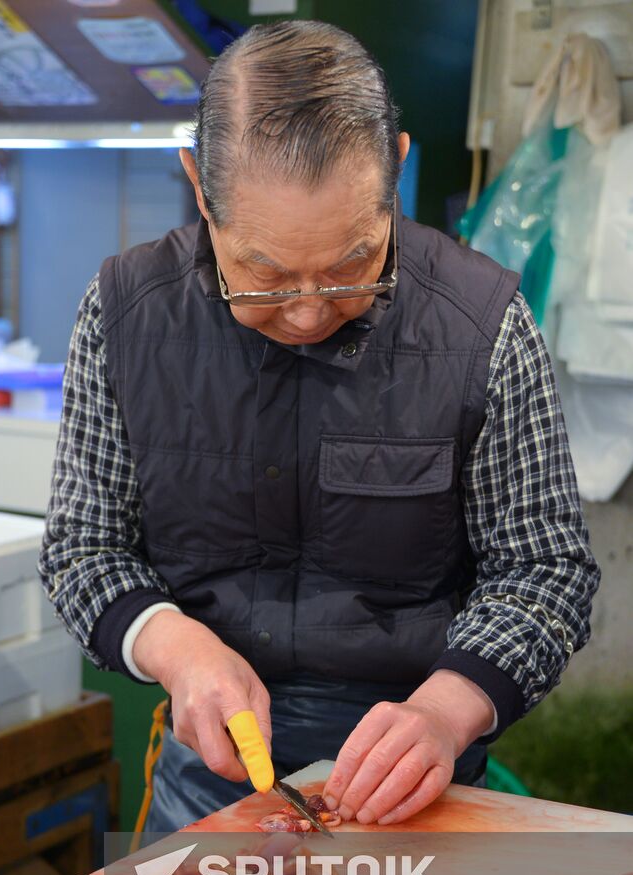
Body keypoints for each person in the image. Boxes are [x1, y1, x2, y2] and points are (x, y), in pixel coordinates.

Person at [39, 20, 600, 833]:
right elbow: (84, 547)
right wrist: (177, 649)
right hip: (211, 777)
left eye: (350, 268)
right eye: (262, 277)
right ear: (199, 188)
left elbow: (546, 570)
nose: (306, 312)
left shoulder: (484, 326)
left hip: (417, 776)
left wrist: (447, 711)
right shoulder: (124, 315)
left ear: (396, 168)